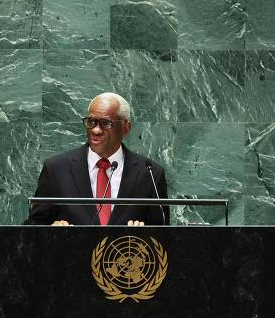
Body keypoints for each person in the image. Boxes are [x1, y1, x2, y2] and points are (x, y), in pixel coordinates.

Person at [25, 92, 169, 226]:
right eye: (91, 122)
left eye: (105, 123)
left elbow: (165, 235)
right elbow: (32, 228)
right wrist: (50, 231)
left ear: (125, 128)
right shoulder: (56, 169)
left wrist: (146, 235)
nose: (96, 130)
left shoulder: (150, 173)